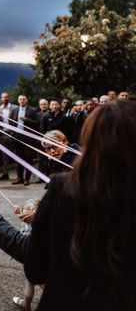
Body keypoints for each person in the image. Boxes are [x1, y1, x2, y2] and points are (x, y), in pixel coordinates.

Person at [24, 100, 136, 308]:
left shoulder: (70, 181)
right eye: (46, 148)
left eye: (53, 147)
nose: (50, 151)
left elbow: (35, 267)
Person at [12, 95, 40, 186]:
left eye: (24, 99)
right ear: (18, 100)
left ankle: (27, 179)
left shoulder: (32, 110)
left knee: (29, 158)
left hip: (28, 138)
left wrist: (27, 120)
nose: (22, 101)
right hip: (17, 136)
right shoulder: (15, 110)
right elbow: (12, 122)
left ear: (27, 100)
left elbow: (37, 123)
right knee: (18, 158)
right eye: (20, 99)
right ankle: (20, 177)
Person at [0, 92, 18, 180]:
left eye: (6, 97)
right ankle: (5, 174)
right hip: (3, 135)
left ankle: (19, 175)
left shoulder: (15, 108)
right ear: (1, 99)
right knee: (4, 156)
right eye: (3, 97)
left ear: (9, 98)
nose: (4, 99)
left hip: (13, 134)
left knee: (16, 155)